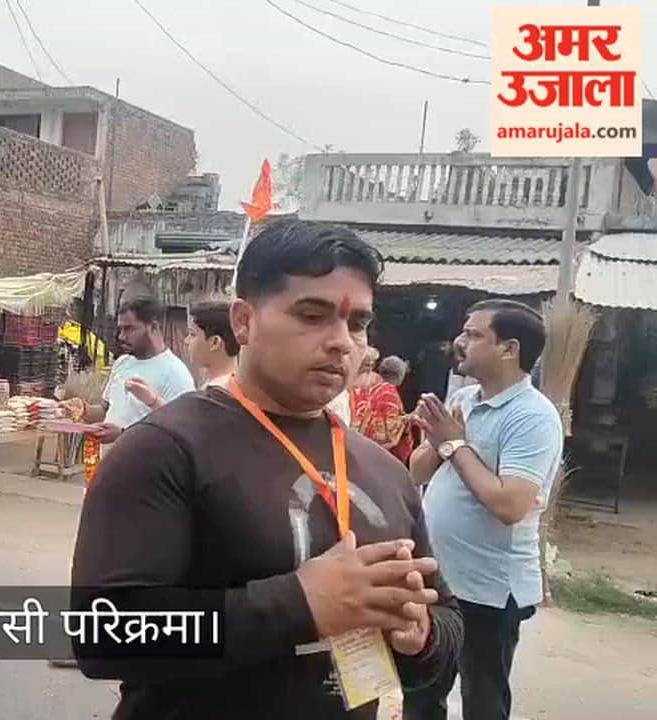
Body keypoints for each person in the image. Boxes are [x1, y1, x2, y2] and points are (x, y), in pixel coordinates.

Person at [71, 221, 461, 719]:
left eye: (358, 323)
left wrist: (420, 634)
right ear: (243, 322)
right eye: (312, 314)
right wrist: (298, 603)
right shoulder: (164, 450)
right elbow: (103, 635)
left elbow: (445, 617)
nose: (342, 341)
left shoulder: (385, 471)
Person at [408, 300, 562, 720]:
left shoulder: (533, 417)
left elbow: (509, 504)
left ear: (509, 349)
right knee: (421, 692)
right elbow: (417, 469)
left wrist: (455, 444)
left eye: (474, 335)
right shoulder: (463, 397)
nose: (460, 342)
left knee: (483, 700)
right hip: (439, 578)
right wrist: (436, 438)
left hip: (488, 590)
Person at [65, 296, 194, 444]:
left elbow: (178, 433)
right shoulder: (122, 363)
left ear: (153, 327)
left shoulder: (176, 374)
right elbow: (105, 411)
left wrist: (121, 434)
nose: (121, 336)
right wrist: (83, 409)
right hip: (110, 462)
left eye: (129, 329)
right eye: (120, 330)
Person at [126, 299, 238, 409]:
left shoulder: (220, 396)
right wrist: (152, 400)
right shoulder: (218, 389)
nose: (186, 341)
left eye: (192, 334)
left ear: (214, 342)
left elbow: (190, 426)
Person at [352, 355, 415, 465]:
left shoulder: (371, 385)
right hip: (376, 453)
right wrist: (409, 419)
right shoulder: (389, 393)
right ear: (400, 376)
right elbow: (389, 431)